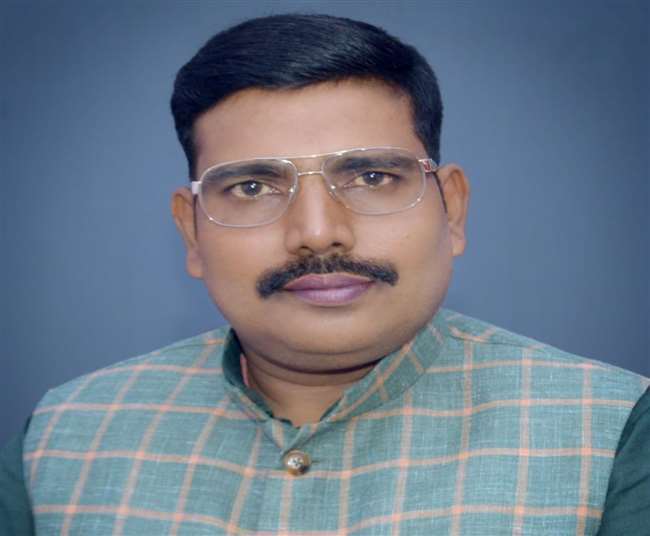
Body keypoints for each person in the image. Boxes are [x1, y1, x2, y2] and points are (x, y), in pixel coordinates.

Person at [1, 13, 648, 536]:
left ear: (452, 209)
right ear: (191, 232)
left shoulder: (613, 432)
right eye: (252, 187)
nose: (316, 232)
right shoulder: (60, 440)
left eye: (371, 176)